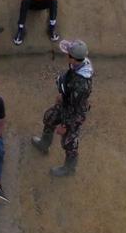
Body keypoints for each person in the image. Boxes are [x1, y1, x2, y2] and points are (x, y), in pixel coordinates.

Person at [31, 39, 93, 176]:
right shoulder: (78, 64)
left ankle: (69, 168)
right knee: (49, 117)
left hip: (74, 113)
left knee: (68, 141)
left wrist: (64, 125)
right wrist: (63, 94)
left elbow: (74, 108)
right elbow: (69, 80)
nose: (66, 56)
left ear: (74, 58)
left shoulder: (82, 85)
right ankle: (44, 144)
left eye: (68, 54)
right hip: (67, 102)